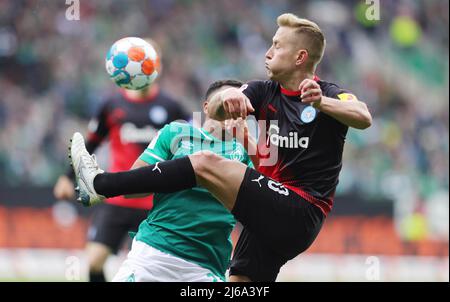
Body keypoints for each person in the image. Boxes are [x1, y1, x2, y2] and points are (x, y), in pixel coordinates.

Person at [70, 13, 372, 282]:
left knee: (204, 163)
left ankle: (101, 183)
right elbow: (215, 109)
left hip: (301, 208)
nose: (267, 52)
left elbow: (363, 115)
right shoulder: (263, 91)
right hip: (267, 214)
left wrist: (321, 103)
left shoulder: (330, 93)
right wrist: (227, 99)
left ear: (299, 57)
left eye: (277, 46)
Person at [71, 79, 256, 281]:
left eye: (241, 104)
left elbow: (259, 204)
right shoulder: (176, 133)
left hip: (205, 267)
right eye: (228, 101)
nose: (234, 108)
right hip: (152, 255)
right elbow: (132, 188)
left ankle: (99, 184)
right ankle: (99, 184)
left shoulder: (248, 150)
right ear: (207, 107)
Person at [53, 39, 188, 282]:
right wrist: (66, 176)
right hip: (117, 198)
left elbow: (189, 146)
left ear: (158, 66)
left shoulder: (171, 107)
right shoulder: (111, 104)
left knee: (154, 271)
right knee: (94, 260)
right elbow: (90, 142)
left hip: (155, 202)